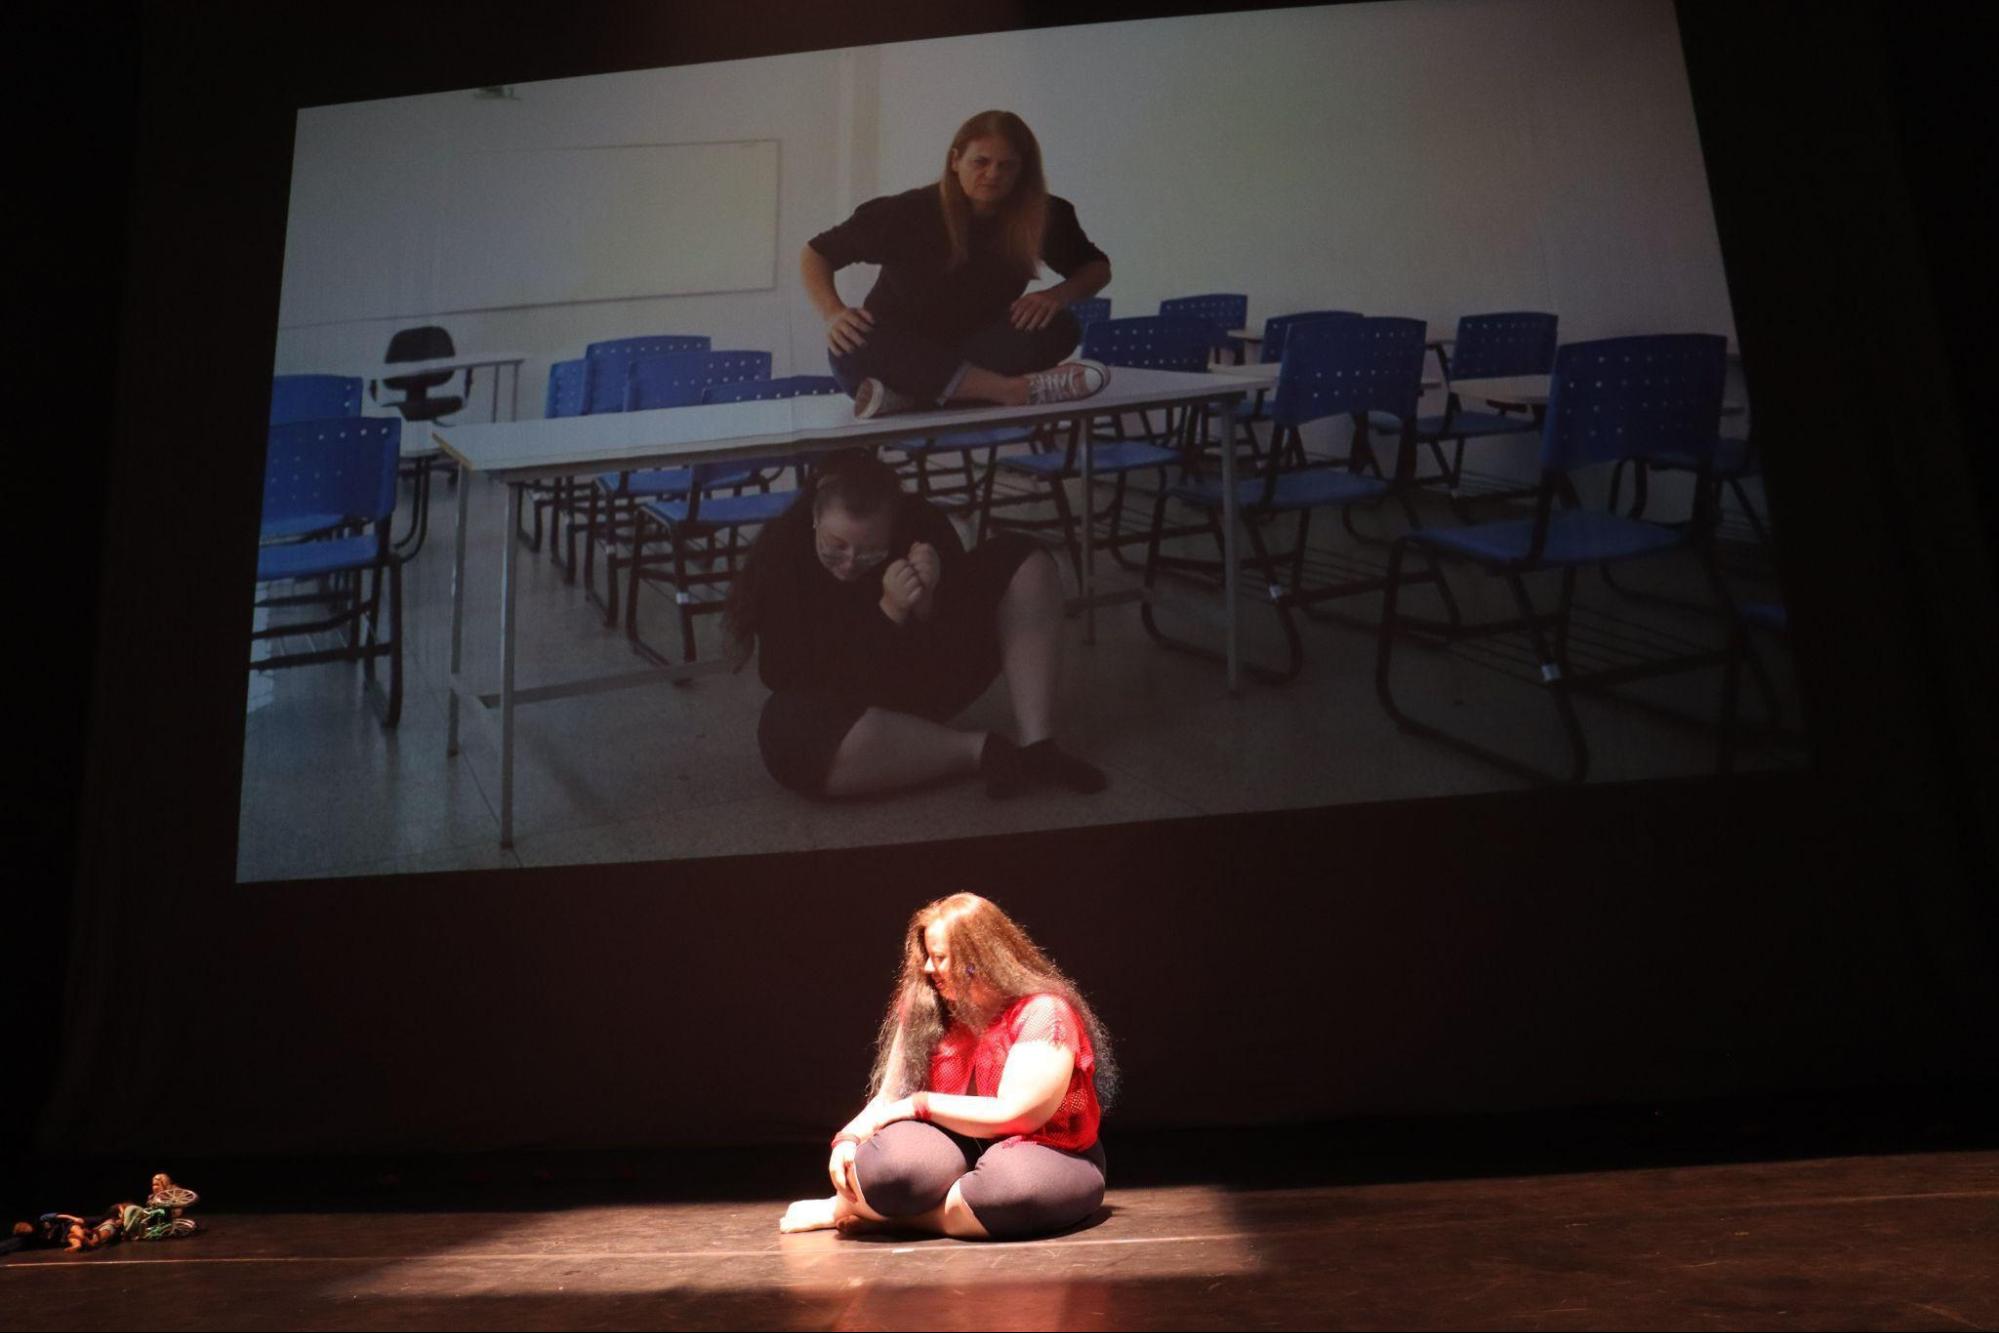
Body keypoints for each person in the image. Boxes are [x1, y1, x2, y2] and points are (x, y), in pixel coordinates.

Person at [723, 449, 1108, 798]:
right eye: (835, 546)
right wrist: (888, 612)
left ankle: (1038, 745)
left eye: (870, 551)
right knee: (787, 732)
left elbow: (955, 648)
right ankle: (978, 751)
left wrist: (931, 603)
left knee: (1024, 557)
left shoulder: (920, 523)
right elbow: (783, 676)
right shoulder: (782, 552)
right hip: (847, 708)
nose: (849, 562)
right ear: (814, 517)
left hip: (921, 680)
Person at [780, 893, 1116, 1240]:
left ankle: (894, 1218)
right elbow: (889, 1096)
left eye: (939, 958)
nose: (928, 968)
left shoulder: (1044, 1012)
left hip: (1050, 1148)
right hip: (954, 1141)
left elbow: (1017, 1115)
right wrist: (848, 1138)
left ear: (979, 960)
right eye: (927, 956)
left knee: (1009, 1190)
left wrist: (919, 1104)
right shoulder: (926, 1007)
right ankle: (949, 1210)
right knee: (885, 1171)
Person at [803, 109, 1114, 419]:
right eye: (981, 162)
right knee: (852, 342)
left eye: (1006, 166)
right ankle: (1010, 391)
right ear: (955, 161)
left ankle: (910, 397)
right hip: (897, 351)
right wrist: (832, 312)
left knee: (1059, 326)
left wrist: (1057, 295)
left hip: (978, 348)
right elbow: (816, 253)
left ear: (1023, 171)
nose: (993, 174)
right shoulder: (906, 212)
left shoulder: (1044, 215)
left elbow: (1096, 267)